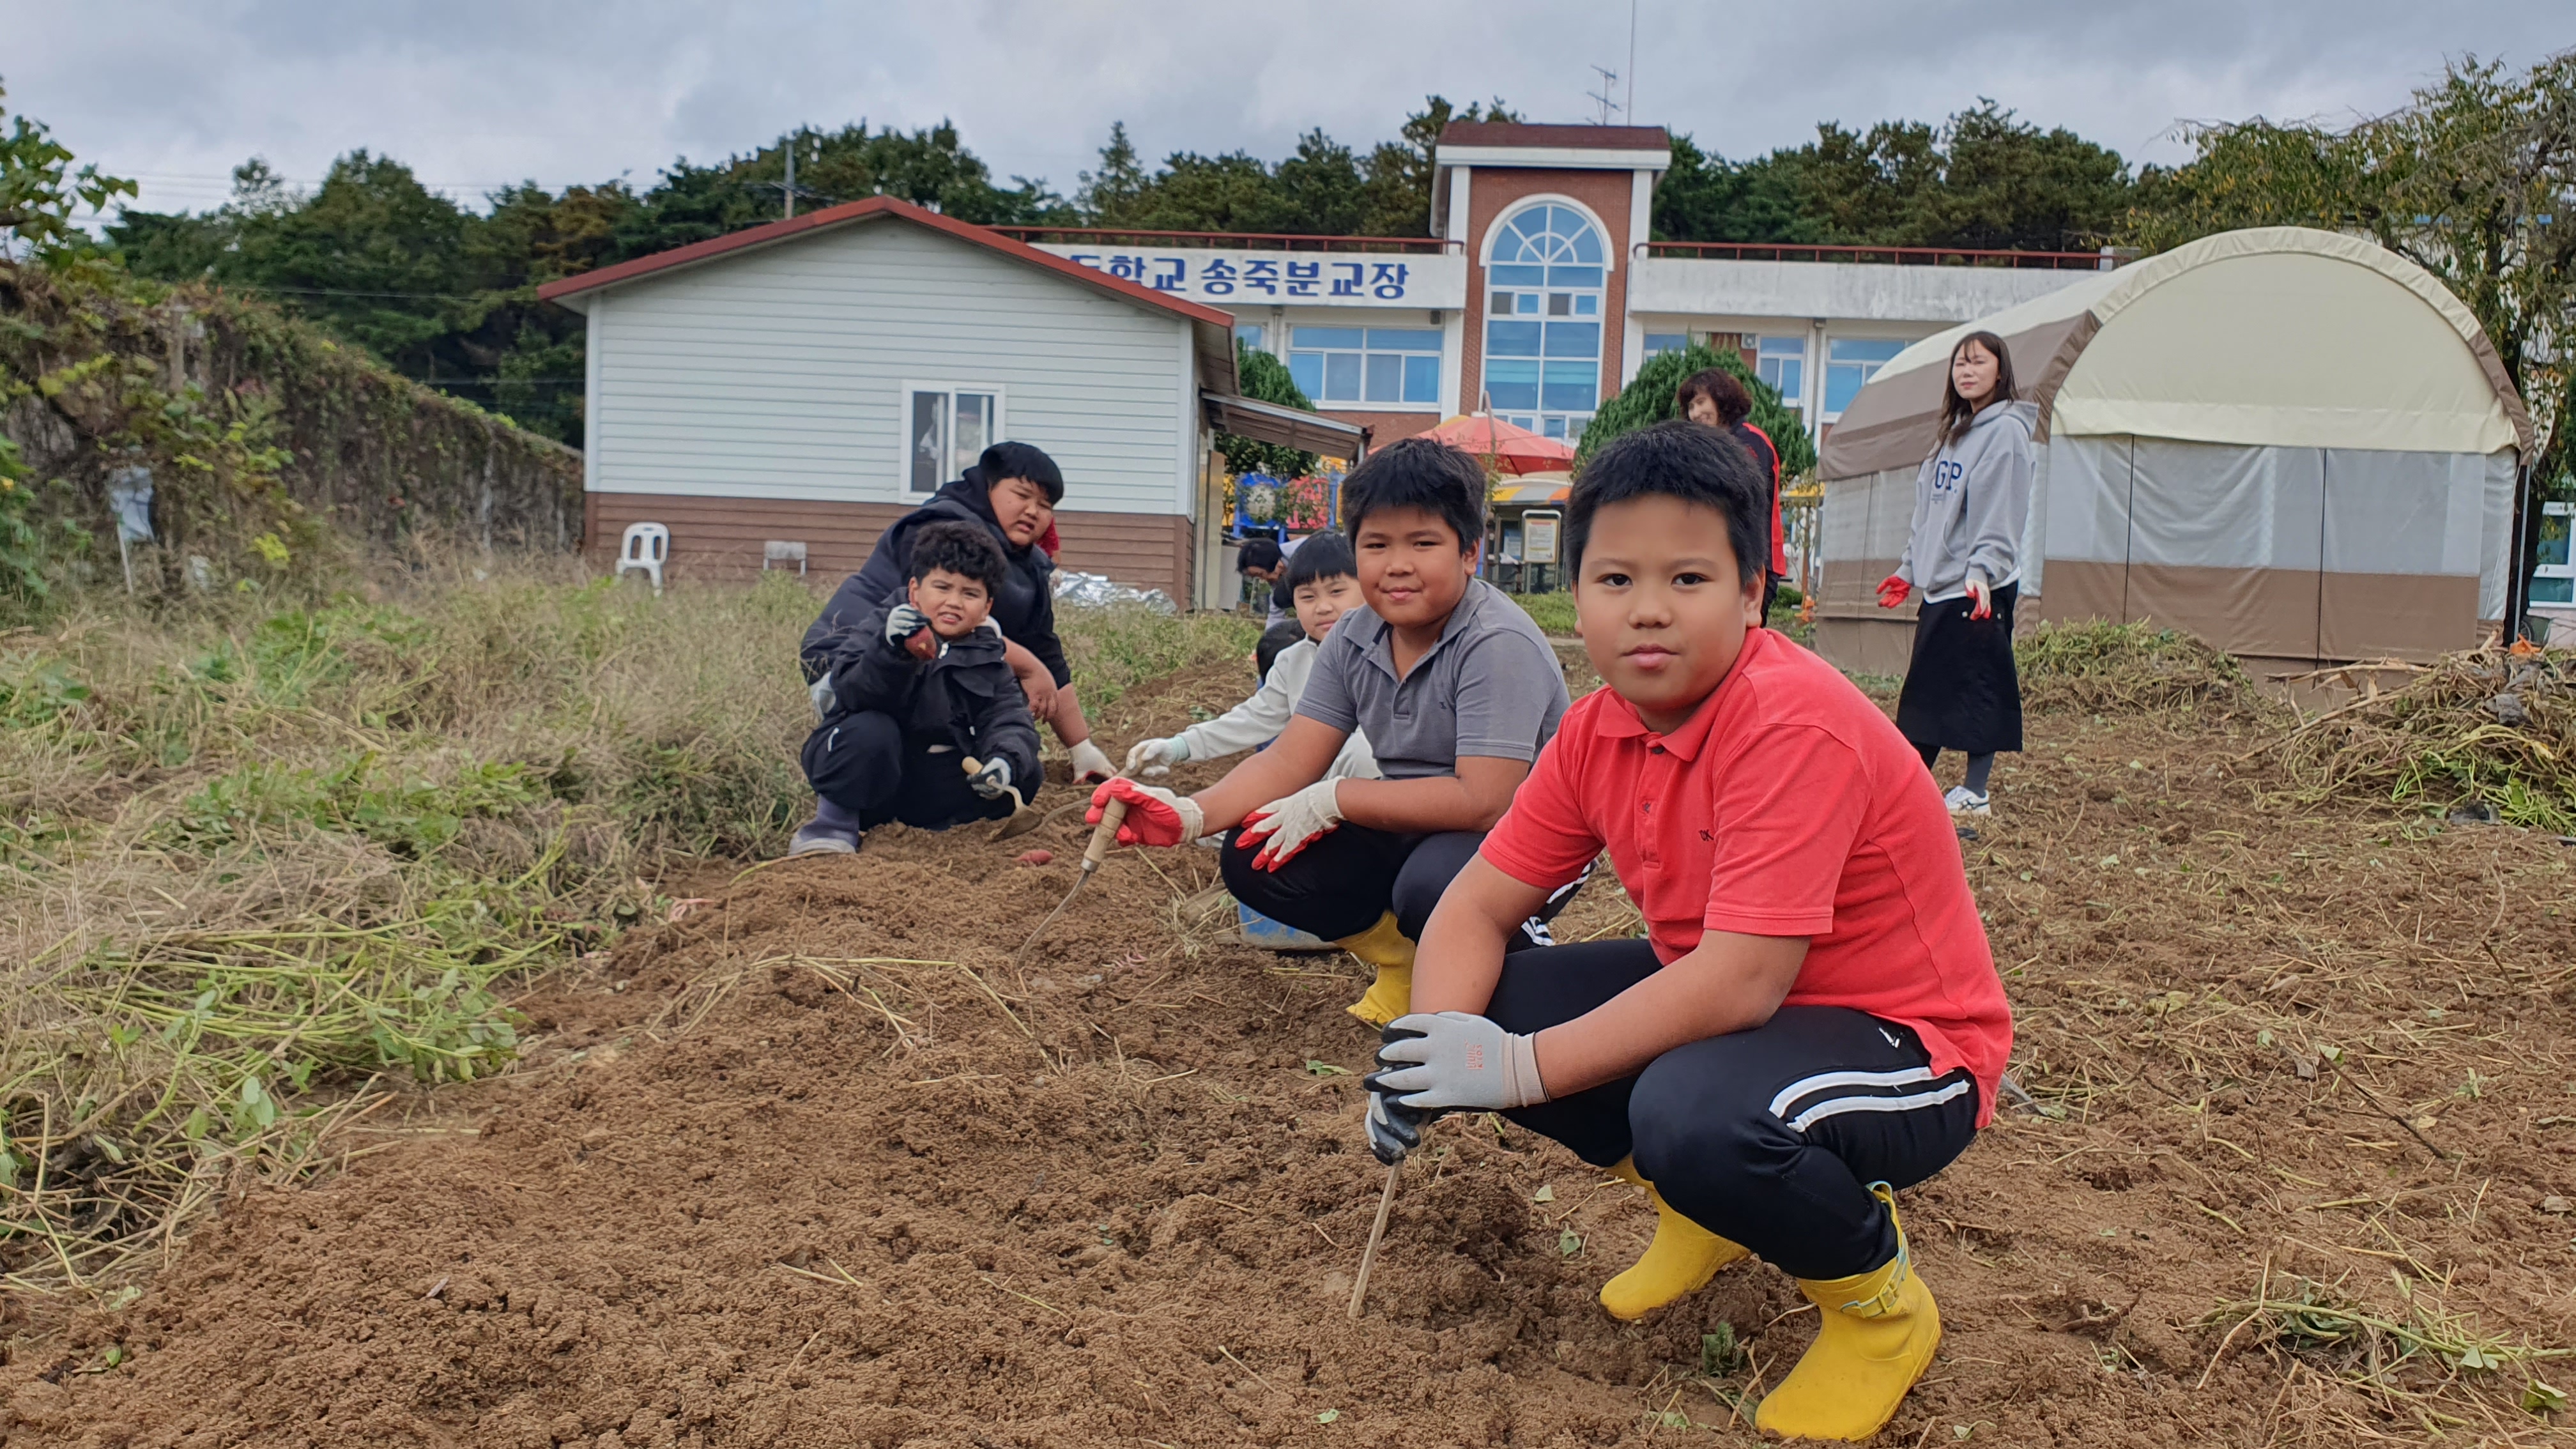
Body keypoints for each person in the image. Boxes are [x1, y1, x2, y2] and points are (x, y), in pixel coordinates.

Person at [1361, 421, 2011, 1442]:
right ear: (1574, 596)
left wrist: (1518, 1070)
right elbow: (1477, 904)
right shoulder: (1598, 727)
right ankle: (1705, 1211)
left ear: (1753, 593)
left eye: (1690, 579)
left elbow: (1742, 984)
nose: (1649, 611)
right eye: (1616, 579)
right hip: (1741, 1008)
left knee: (1691, 1114)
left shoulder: (1789, 723)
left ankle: (1879, 1310)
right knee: (1499, 1002)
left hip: (1907, 1043)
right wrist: (1434, 1049)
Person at [1085, 438, 1574, 1026]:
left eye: (1424, 543)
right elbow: (1288, 761)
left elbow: (1484, 801)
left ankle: (1525, 994)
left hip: (1534, 836)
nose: (1397, 564)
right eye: (1377, 545)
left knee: (1434, 886)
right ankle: (1407, 963)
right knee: (1255, 854)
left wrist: (1334, 799)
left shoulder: (1496, 644)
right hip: (1419, 820)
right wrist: (1190, 813)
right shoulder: (1353, 637)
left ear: (1470, 552)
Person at [792, 441, 1114, 854]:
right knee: (870, 727)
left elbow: (1040, 657)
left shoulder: (1026, 567)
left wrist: (1080, 748)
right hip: (861, 658)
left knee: (1011, 759)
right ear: (987, 487)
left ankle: (926, 818)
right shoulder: (940, 533)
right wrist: (1025, 663)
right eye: (1022, 495)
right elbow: (934, 625)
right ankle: (835, 819)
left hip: (946, 665)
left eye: (1045, 504)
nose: (1034, 511)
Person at [792, 521, 1040, 851]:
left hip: (931, 783)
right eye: (942, 587)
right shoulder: (881, 629)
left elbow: (1008, 717)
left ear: (987, 608)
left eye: (970, 593)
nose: (954, 602)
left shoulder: (989, 655)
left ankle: (942, 835)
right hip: (877, 774)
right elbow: (851, 693)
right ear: (914, 591)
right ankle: (831, 829)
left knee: (1026, 769)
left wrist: (1004, 762)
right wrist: (891, 650)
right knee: (869, 730)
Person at [1875, 332, 2034, 817]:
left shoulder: (2005, 432)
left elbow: (2001, 511)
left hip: (1977, 585)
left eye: (1977, 363)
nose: (1966, 372)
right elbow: (1930, 510)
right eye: (1959, 364)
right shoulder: (1954, 434)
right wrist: (1909, 568)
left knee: (1975, 685)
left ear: (2000, 371)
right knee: (1929, 688)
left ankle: (1974, 792)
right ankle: (1909, 788)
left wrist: (1983, 569)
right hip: (1943, 582)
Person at [1124, 531, 1379, 785]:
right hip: (1314, 800)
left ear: (1369, 588)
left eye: (1336, 592)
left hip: (1376, 804)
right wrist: (1178, 747)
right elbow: (1254, 718)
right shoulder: (1293, 662)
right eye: (1308, 597)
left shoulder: (1393, 654)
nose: (1322, 607)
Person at [1677, 367, 1788, 620]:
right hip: (1719, 555)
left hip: (1755, 559)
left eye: (1701, 402)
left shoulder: (1750, 440)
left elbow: (1742, 493)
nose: (1696, 413)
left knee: (1743, 640)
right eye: (1691, 407)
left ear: (1721, 398)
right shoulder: (1712, 446)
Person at [1236, 534, 1305, 682]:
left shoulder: (1305, 551)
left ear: (1275, 564)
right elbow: (1276, 613)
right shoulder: (1277, 579)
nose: (1262, 580)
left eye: (1260, 574)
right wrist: (1266, 647)